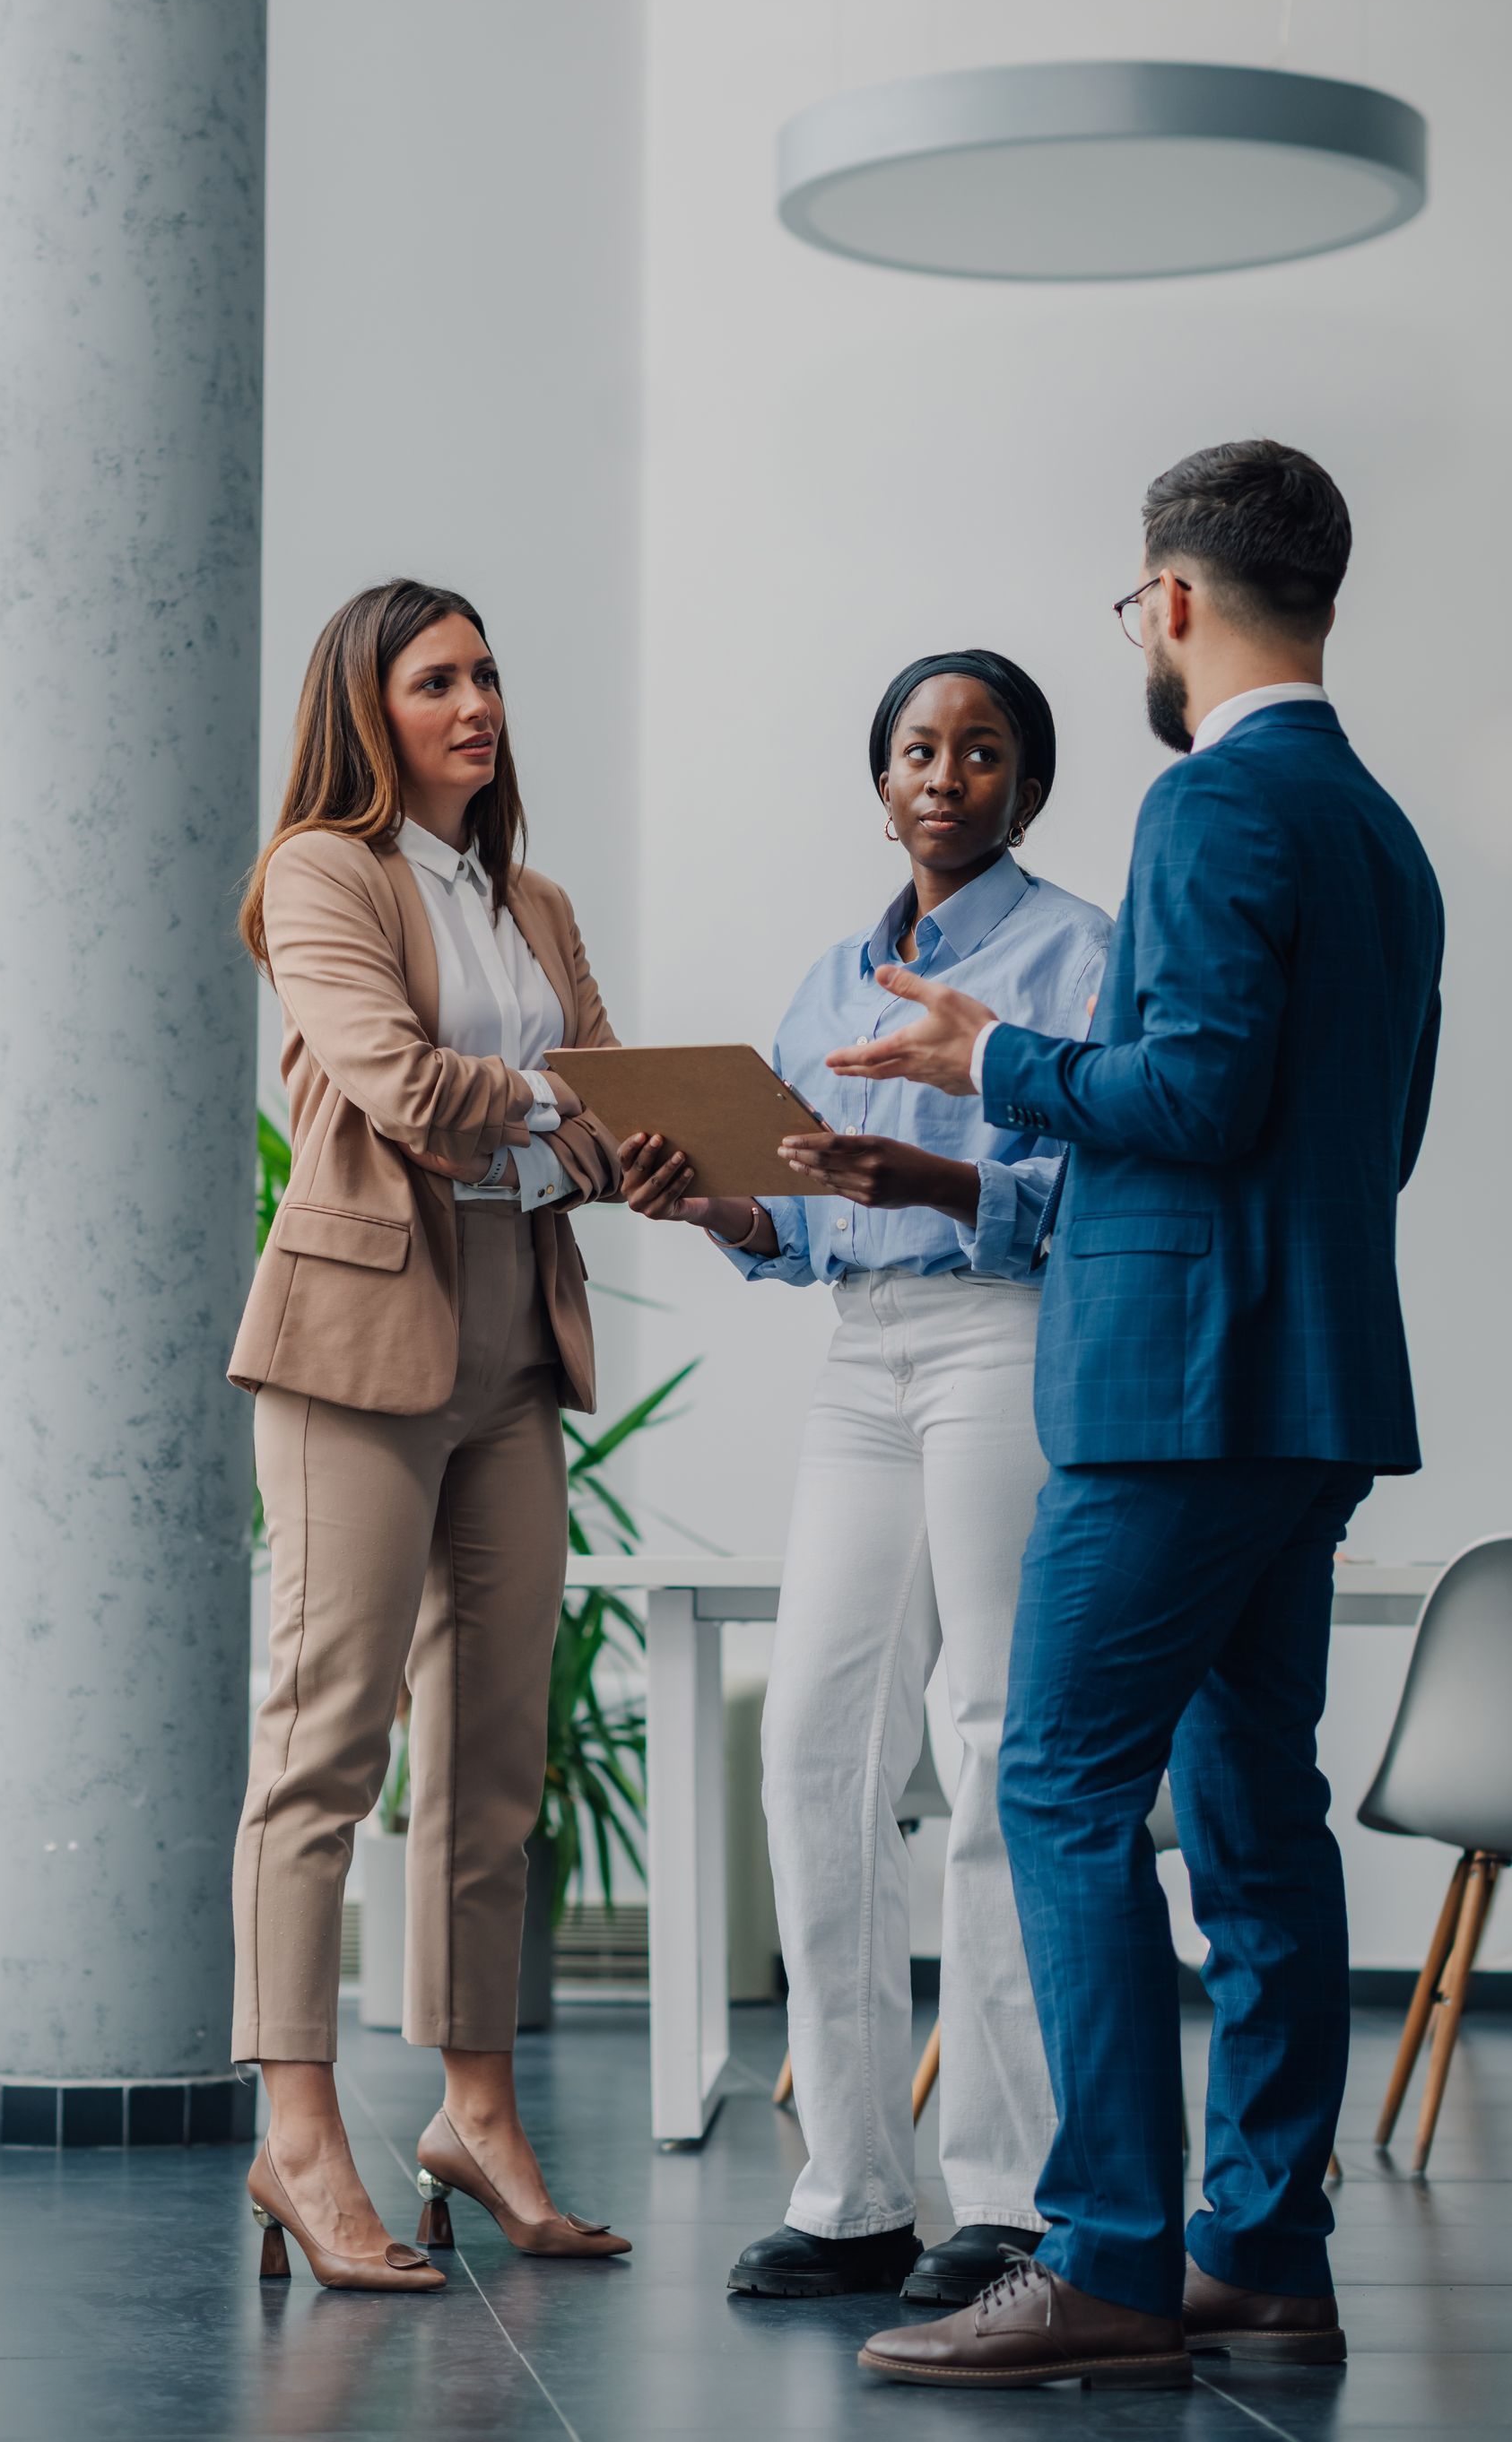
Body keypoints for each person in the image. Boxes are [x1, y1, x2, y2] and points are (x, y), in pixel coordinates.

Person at [842, 442, 1443, 2392]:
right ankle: (1261, 2251)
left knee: (1059, 1781)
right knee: (1256, 1807)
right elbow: (1365, 1133)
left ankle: (1103, 2251)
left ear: (1174, 603)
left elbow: (1193, 1101)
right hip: (1314, 1387)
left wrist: (993, 1055)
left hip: (1174, 1399)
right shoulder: (1382, 828)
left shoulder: (1210, 805)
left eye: (1134, 607)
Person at [621, 651, 1110, 2305]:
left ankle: (1012, 2193)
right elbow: (809, 1214)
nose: (944, 775)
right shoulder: (836, 976)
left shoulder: (1075, 952)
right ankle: (852, 2190)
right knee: (820, 1750)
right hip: (862, 1352)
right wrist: (725, 1207)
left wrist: (932, 1173)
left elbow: (1093, 1183)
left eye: (981, 752)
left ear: (1025, 786)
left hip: (1002, 1341)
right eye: (917, 747)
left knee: (987, 1749)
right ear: (881, 777)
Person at [227, 578, 632, 2289]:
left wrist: (649, 1138)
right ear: (367, 706)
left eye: (485, 675)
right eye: (435, 680)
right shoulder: (325, 868)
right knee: (326, 1742)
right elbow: (395, 1079)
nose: (476, 703)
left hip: (512, 1341)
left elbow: (623, 1087)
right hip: (362, 1336)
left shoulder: (529, 898)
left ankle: (475, 2110)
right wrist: (560, 1107)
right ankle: (298, 2135)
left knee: (491, 1757)